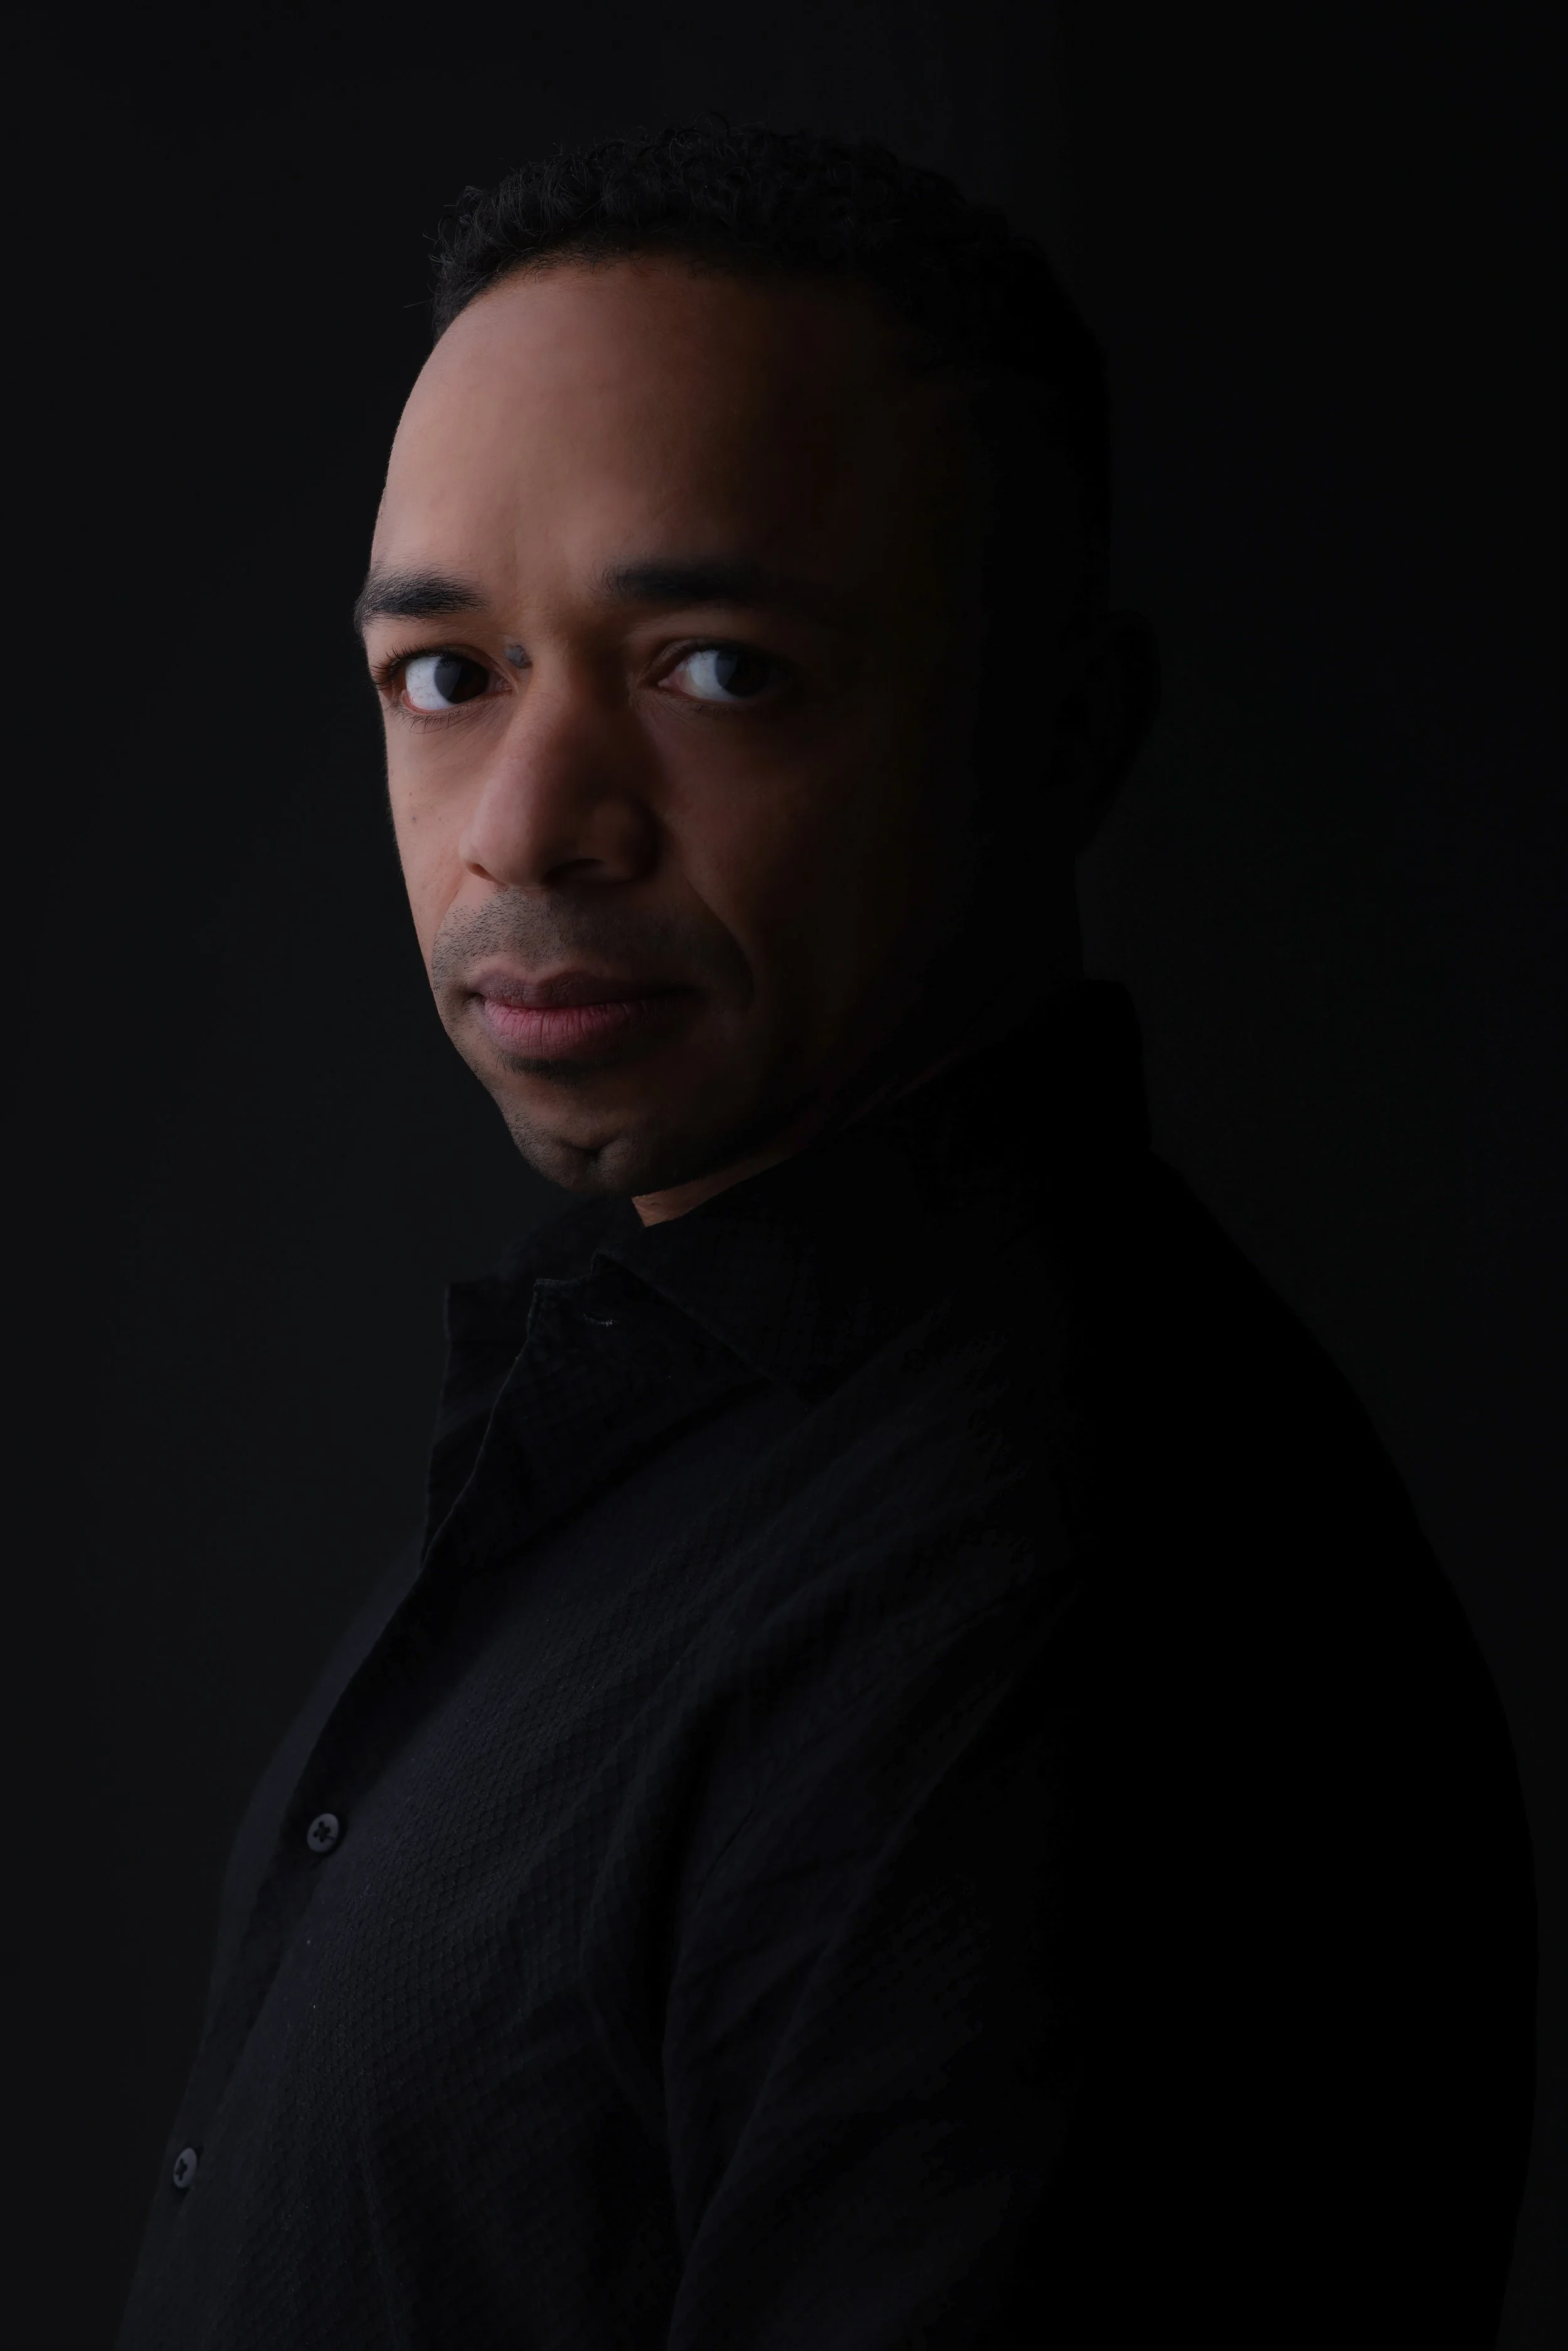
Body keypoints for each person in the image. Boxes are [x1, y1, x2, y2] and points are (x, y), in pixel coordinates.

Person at [115, 119, 1534, 2349]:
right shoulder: (652, 1437)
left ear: (1062, 737)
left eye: (715, 670)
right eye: (448, 673)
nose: (524, 824)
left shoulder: (1063, 1607)